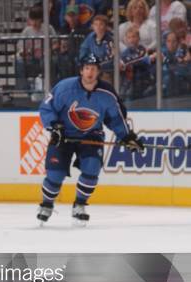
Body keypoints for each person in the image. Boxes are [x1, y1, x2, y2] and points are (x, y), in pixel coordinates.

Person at [36, 54, 144, 226]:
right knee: (55, 174)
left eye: (93, 68)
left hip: (91, 136)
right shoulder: (64, 87)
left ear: (98, 72)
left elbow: (116, 118)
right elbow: (47, 108)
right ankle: (46, 204)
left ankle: (79, 205)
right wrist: (54, 127)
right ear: (81, 70)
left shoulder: (107, 93)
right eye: (87, 68)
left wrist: (126, 136)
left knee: (92, 168)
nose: (90, 72)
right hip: (63, 136)